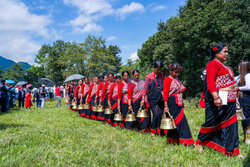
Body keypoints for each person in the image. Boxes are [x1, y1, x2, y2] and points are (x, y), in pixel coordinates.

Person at [196, 44, 241, 157]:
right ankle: (200, 142)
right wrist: (216, 97)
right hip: (218, 98)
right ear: (217, 53)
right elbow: (210, 82)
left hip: (230, 100)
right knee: (212, 122)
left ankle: (233, 151)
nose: (227, 54)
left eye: (227, 52)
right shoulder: (212, 64)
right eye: (225, 51)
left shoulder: (225, 66)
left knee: (232, 124)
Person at [163, 63, 195, 146]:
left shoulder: (177, 79)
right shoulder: (168, 80)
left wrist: (182, 102)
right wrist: (166, 106)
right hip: (172, 102)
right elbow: (165, 94)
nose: (177, 74)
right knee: (178, 121)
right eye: (175, 72)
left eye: (178, 72)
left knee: (178, 121)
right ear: (171, 71)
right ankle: (187, 142)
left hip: (178, 103)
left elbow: (179, 92)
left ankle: (174, 140)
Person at [143, 60, 165, 137]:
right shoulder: (149, 77)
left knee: (161, 114)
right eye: (157, 69)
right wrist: (143, 99)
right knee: (156, 114)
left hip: (161, 98)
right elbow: (145, 88)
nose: (159, 71)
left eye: (160, 69)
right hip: (152, 99)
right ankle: (152, 131)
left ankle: (159, 131)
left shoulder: (162, 75)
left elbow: (164, 86)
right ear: (153, 68)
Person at [235, 61, 250, 143]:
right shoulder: (240, 76)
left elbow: (249, 86)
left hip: (247, 98)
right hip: (242, 98)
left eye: (239, 66)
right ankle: (246, 136)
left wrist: (238, 88)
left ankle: (248, 137)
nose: (238, 68)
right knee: (244, 117)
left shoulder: (248, 75)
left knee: (247, 117)